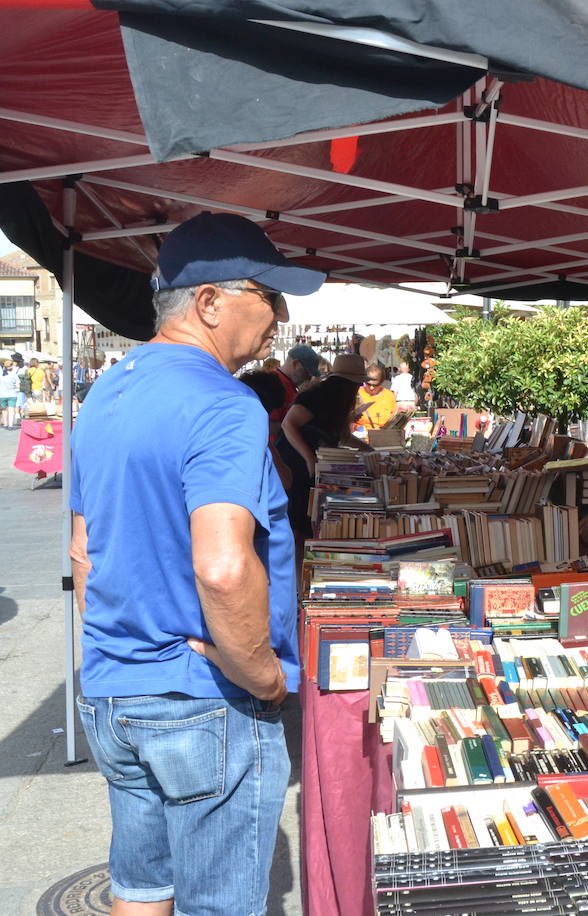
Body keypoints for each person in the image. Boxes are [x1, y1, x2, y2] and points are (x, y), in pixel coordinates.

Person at [68, 211, 324, 915]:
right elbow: (222, 566)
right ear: (209, 301)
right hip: (202, 695)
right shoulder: (223, 403)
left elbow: (82, 553)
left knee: (141, 886)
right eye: (269, 296)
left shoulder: (106, 392)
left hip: (115, 688)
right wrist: (263, 674)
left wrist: (126, 644)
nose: (279, 317)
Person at [278, 353, 372, 538]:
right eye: (358, 383)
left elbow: (342, 435)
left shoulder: (338, 401)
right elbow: (288, 424)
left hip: (313, 462)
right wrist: (309, 458)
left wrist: (368, 450)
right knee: (299, 514)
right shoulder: (318, 395)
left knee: (309, 516)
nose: (359, 387)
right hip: (296, 460)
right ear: (347, 383)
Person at [265, 343, 323, 426]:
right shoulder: (275, 384)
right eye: (307, 372)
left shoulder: (287, 384)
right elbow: (270, 425)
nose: (309, 377)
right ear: (295, 364)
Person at [355, 363, 399, 431]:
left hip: (383, 436)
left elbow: (394, 417)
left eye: (375, 385)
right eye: (368, 384)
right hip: (360, 436)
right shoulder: (357, 394)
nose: (371, 388)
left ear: (381, 382)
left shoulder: (389, 395)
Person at [0, 360, 18, 428]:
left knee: (4, 410)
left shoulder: (1, 375)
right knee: (11, 410)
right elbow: (18, 386)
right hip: (12, 394)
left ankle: (5, 424)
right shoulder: (14, 375)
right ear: (12, 367)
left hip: (2, 395)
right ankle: (10, 425)